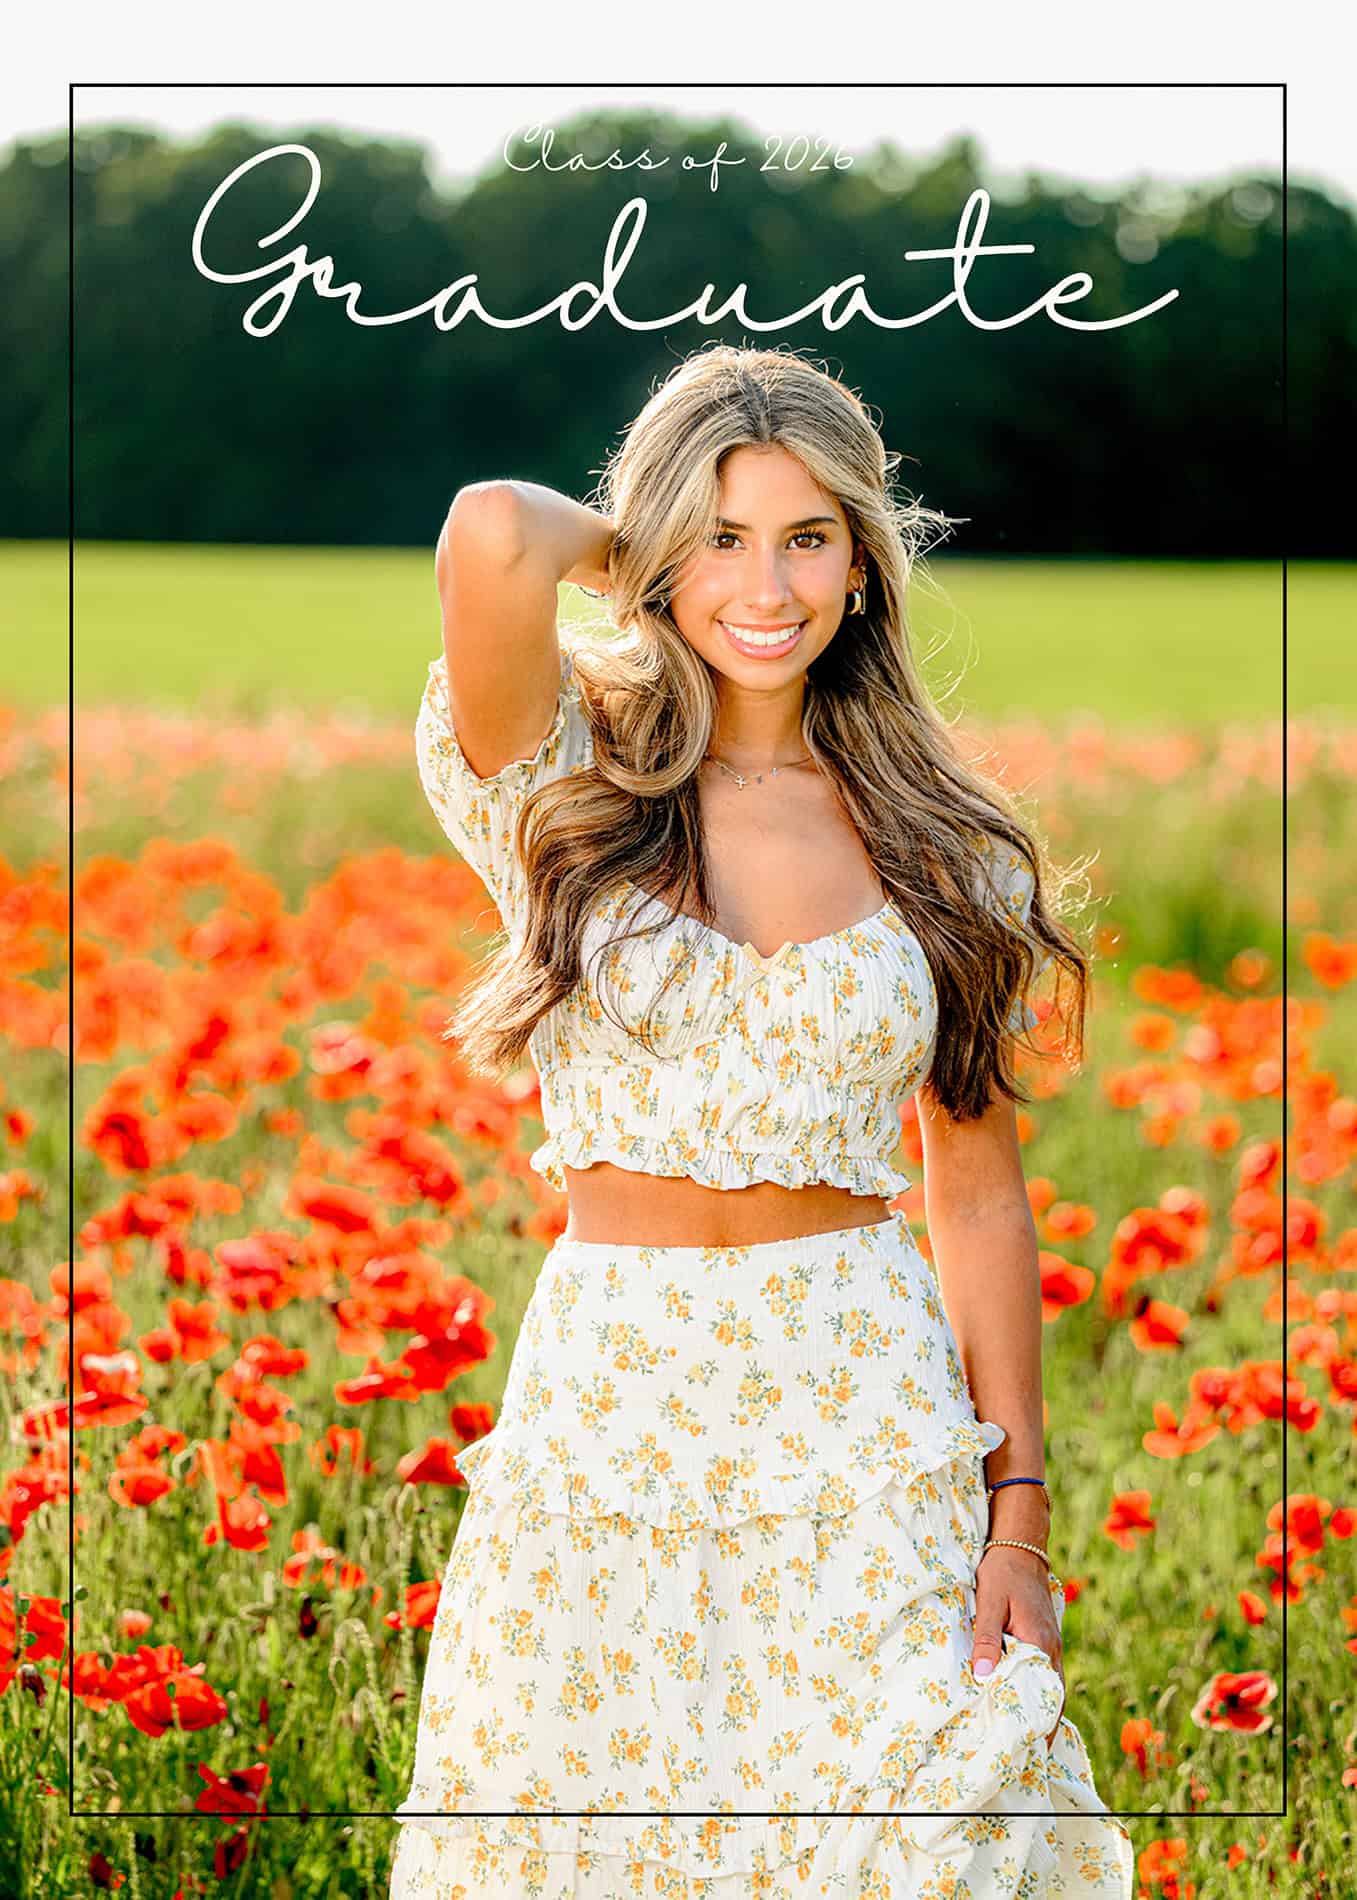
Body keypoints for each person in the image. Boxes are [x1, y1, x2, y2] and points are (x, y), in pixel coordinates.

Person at [390, 344, 1135, 1897]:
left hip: (863, 1402)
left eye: (808, 537)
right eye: (722, 537)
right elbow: (491, 534)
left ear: (865, 564)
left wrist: (1019, 1525)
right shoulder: (561, 794)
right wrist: (655, 547)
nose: (769, 584)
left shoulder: (949, 848)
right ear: (659, 553)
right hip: (615, 1409)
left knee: (911, 1836)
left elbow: (981, 1199)